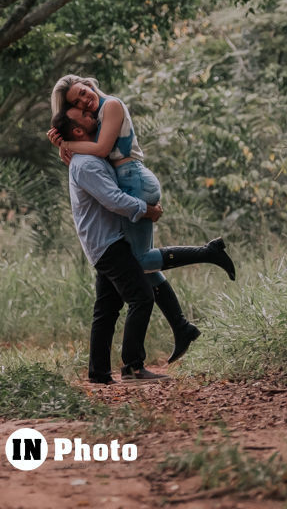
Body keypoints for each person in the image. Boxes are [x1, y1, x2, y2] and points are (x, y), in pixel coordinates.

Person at [49, 75, 234, 364]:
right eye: (77, 104)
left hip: (133, 179)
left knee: (139, 262)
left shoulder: (110, 106)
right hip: (128, 183)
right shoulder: (95, 120)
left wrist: (69, 145)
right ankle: (181, 326)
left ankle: (207, 256)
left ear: (89, 84)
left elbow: (98, 151)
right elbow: (91, 162)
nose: (86, 103)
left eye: (84, 94)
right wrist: (68, 146)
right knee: (137, 266)